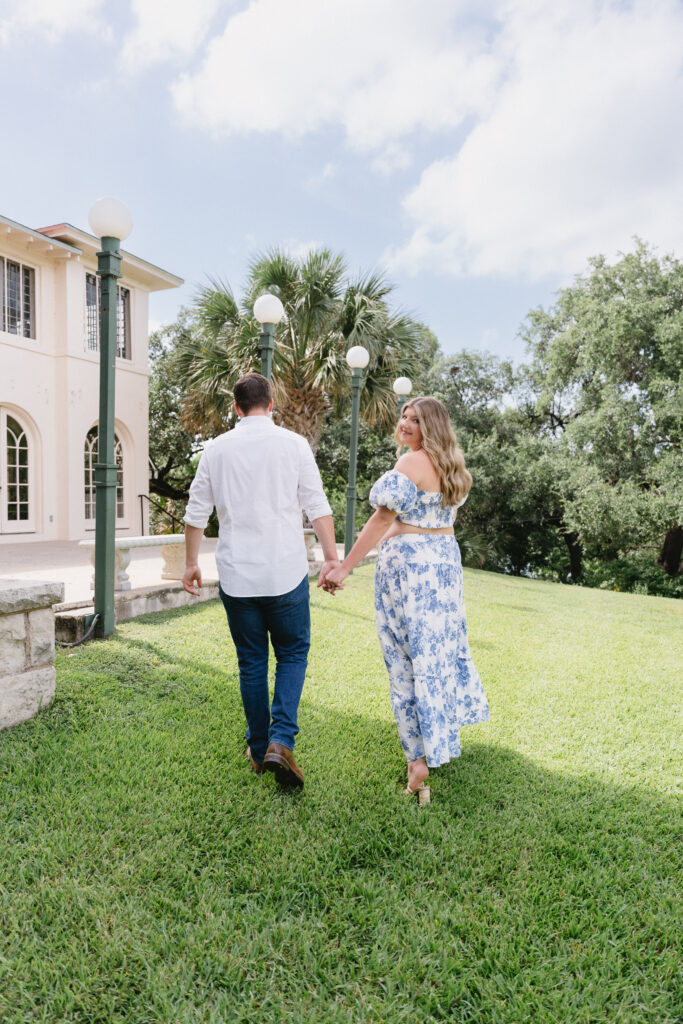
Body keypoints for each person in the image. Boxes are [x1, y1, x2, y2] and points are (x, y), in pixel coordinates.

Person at [320, 397, 489, 805]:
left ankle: (417, 764)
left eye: (416, 420)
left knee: (404, 663)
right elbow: (443, 519)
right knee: (436, 655)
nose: (406, 424)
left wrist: (344, 568)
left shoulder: (411, 464)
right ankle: (435, 742)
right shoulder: (452, 466)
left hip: (409, 569)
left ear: (432, 426)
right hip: (444, 567)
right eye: (404, 416)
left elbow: (381, 520)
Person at [182, 372, 339, 789]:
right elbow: (317, 506)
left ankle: (257, 748)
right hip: (285, 572)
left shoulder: (216, 449)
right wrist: (331, 559)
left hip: (237, 576)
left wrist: (190, 564)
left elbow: (196, 512)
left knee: (251, 662)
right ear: (272, 404)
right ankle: (280, 741)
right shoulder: (294, 444)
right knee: (292, 654)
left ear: (236, 408)